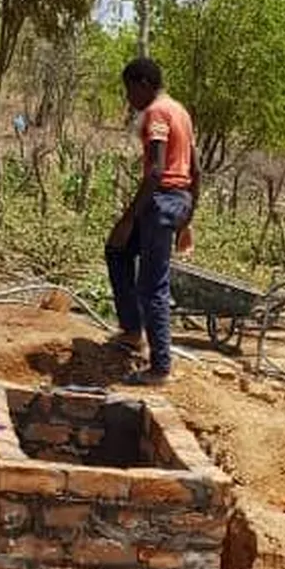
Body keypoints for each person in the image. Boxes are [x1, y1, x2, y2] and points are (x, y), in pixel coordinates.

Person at [105, 56, 198, 383]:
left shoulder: (157, 113)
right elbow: (195, 170)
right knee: (117, 250)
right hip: (178, 200)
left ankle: (160, 367)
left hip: (161, 203)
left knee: (152, 285)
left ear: (143, 84)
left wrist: (129, 219)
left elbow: (157, 171)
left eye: (129, 91)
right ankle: (132, 330)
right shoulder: (181, 112)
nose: (130, 100)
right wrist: (187, 218)